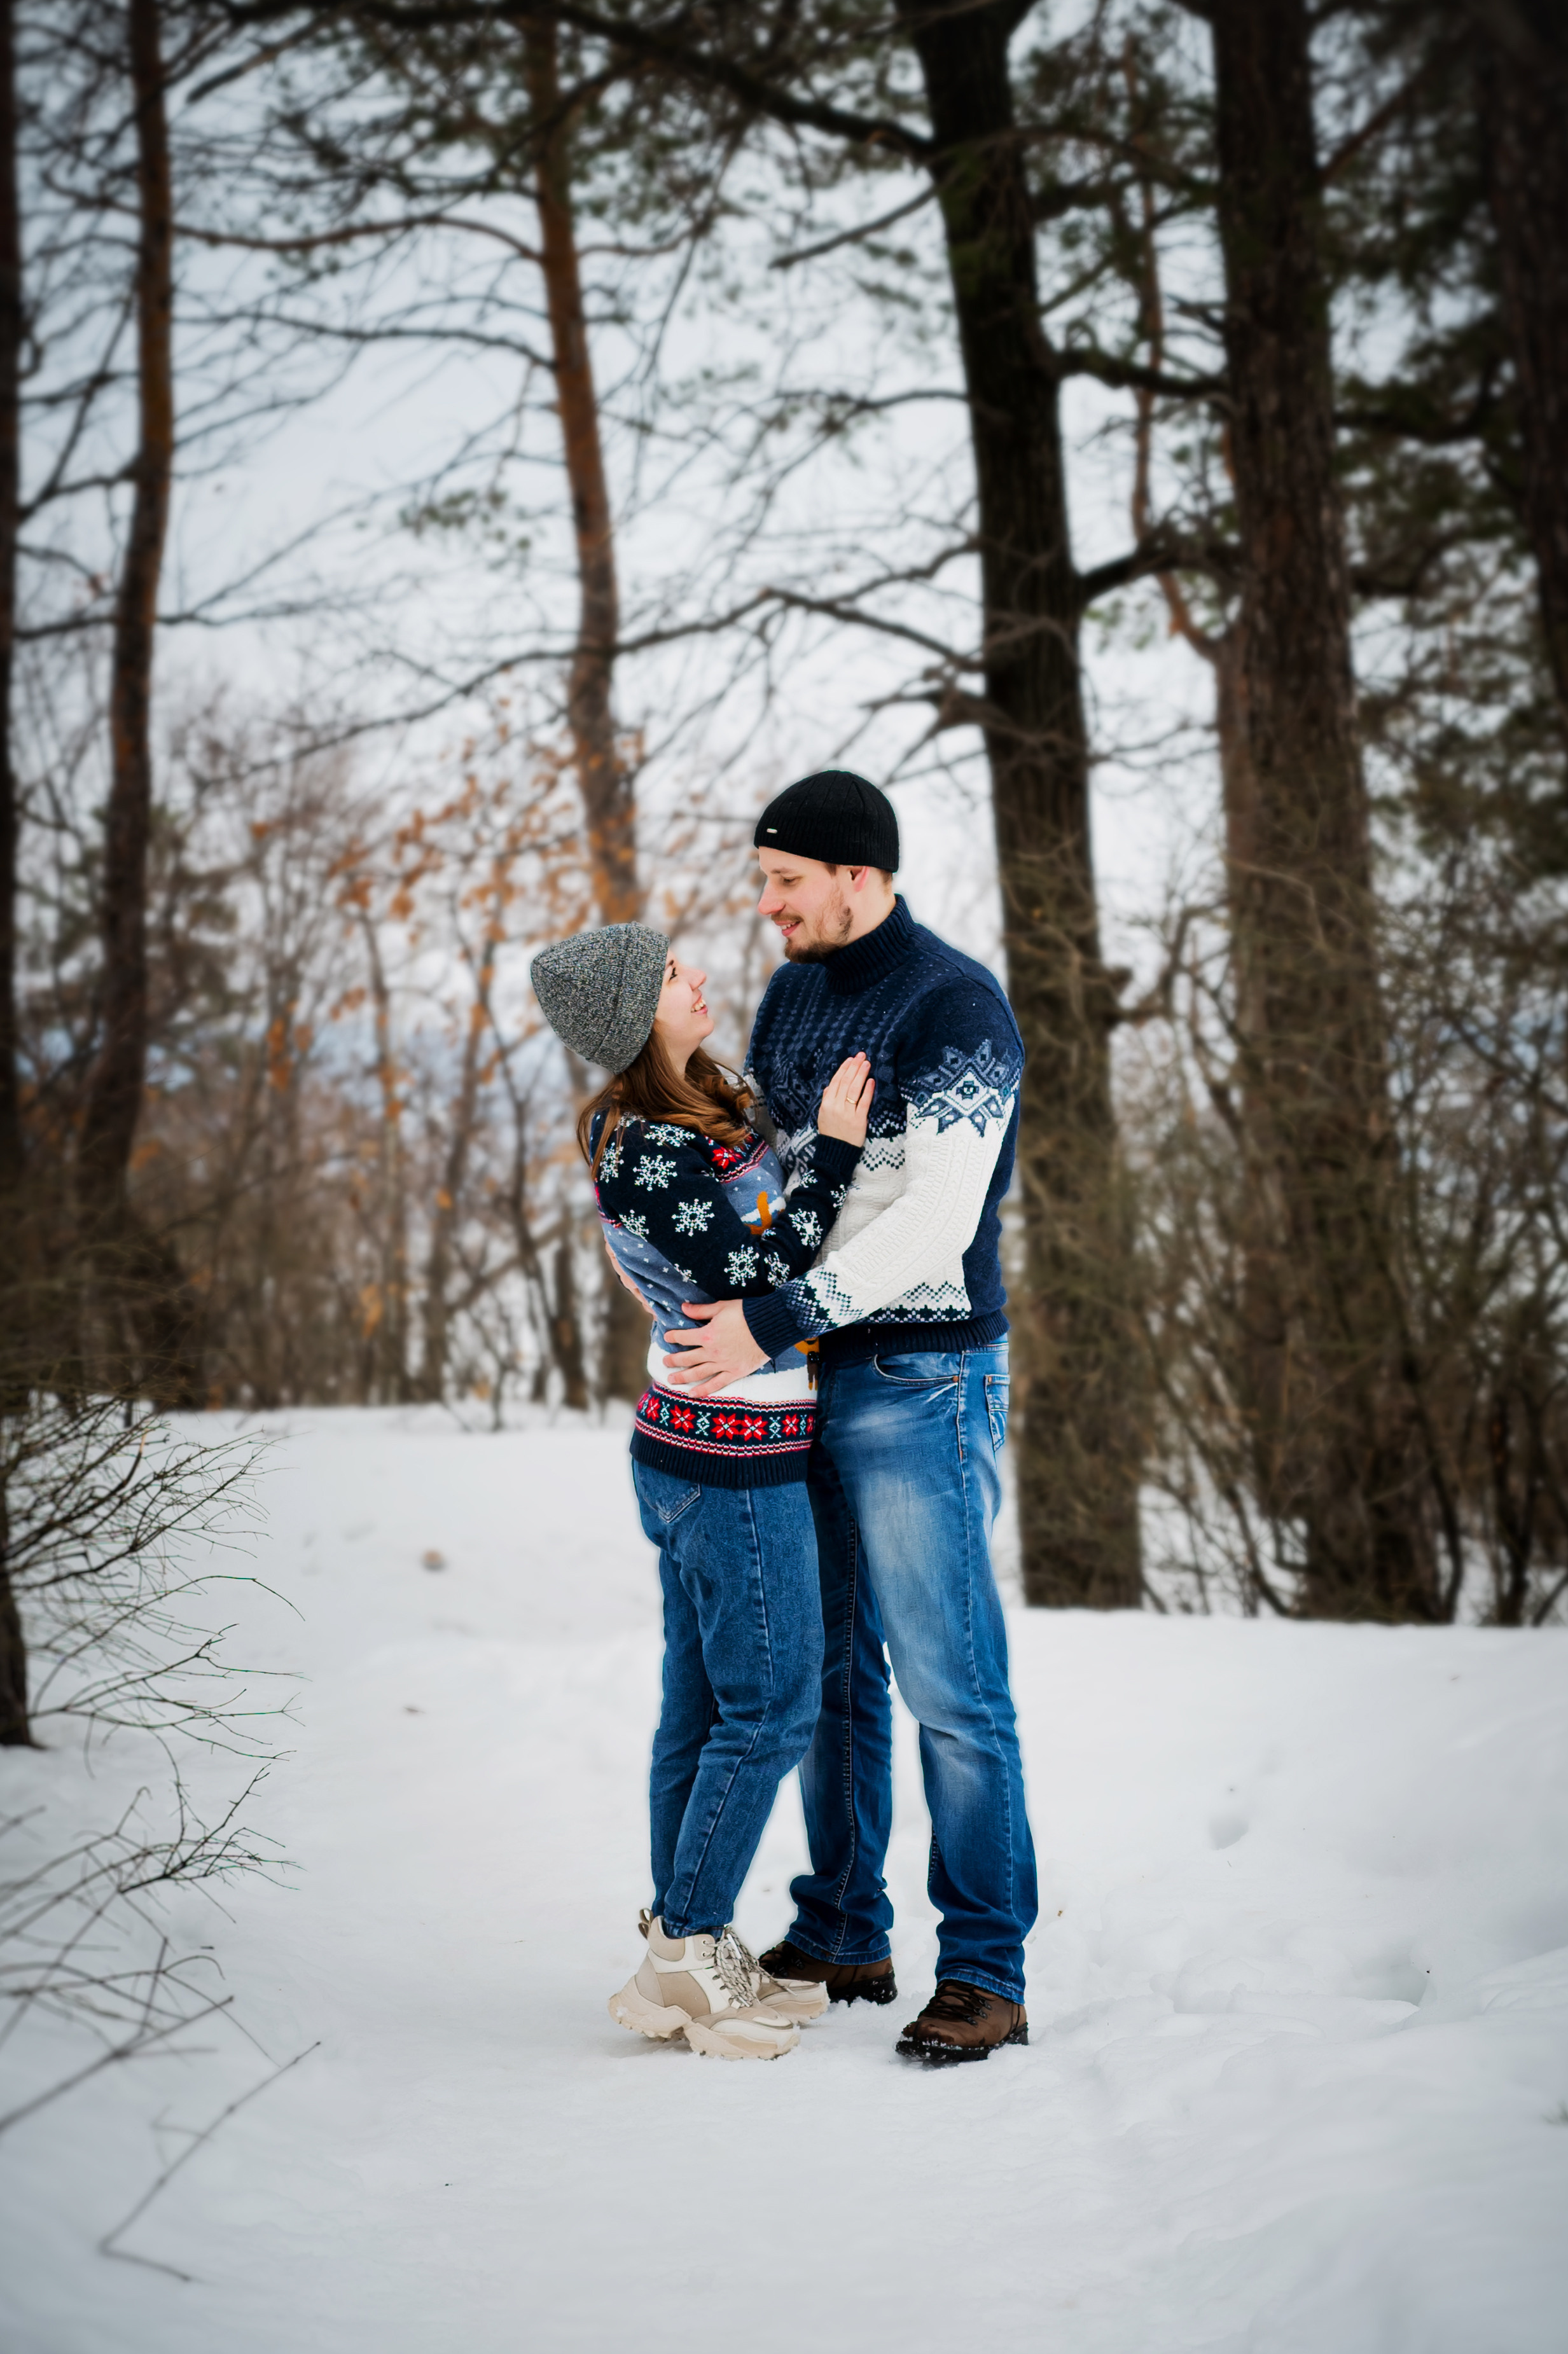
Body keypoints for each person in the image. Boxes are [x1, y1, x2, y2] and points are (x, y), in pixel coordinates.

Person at [661, 769, 1039, 2065]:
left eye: (785, 881)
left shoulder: (956, 1009)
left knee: (949, 1684)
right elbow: (782, 1178)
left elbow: (936, 1220)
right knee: (828, 1673)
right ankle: (841, 1927)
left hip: (922, 1377)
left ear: (856, 877)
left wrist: (771, 1321)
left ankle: (985, 1969)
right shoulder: (795, 993)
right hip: (810, 1377)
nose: (767, 903)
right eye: (764, 880)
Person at [529, 918, 875, 2061]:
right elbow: (762, 1272)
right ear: (636, 1012)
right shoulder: (646, 1149)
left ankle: (692, 1935)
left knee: (703, 1709)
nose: (701, 976)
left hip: (708, 1448)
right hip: (726, 1465)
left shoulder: (706, 1110)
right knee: (772, 1706)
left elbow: (739, 1267)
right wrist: (833, 1154)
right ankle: (684, 1942)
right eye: (676, 973)